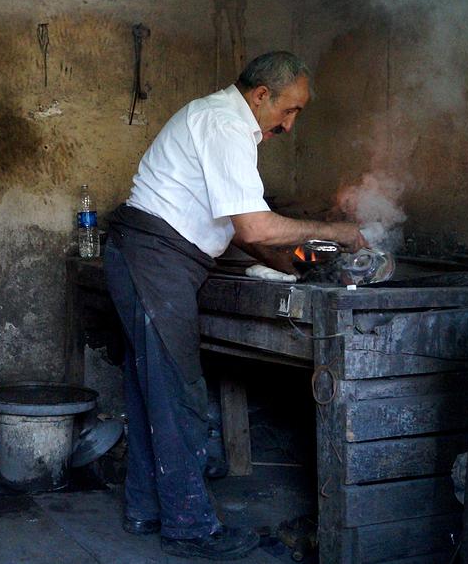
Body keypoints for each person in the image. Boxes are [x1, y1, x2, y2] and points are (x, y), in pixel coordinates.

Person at [104, 51, 366, 560]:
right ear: (260, 95)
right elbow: (254, 225)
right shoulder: (224, 124)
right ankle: (190, 529)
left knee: (150, 389)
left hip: (149, 257)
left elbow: (238, 228)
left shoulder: (222, 122)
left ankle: (145, 509)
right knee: (177, 391)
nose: (289, 125)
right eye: (289, 111)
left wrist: (290, 264)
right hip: (154, 259)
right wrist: (338, 233)